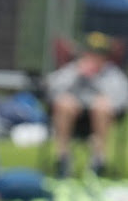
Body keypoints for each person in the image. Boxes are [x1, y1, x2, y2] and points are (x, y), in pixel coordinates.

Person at [45, 31, 128, 177]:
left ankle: (98, 161)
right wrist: (77, 73)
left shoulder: (113, 74)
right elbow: (51, 90)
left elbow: (120, 101)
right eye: (91, 53)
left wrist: (96, 78)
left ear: (106, 57)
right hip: (71, 118)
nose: (94, 58)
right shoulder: (72, 70)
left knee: (101, 105)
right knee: (65, 103)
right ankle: (63, 159)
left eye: (99, 55)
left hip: (100, 120)